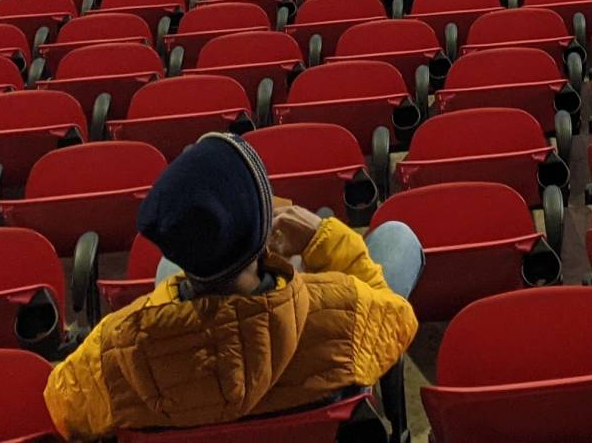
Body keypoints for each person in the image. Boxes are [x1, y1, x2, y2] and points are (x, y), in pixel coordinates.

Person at [44, 134, 419, 440]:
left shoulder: (114, 347)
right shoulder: (346, 310)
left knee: (165, 271)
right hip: (311, 352)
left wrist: (160, 303)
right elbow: (396, 318)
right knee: (396, 238)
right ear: (263, 236)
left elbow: (62, 405)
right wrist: (325, 238)